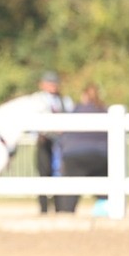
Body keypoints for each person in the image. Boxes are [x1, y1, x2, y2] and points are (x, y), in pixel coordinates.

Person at [59, 82, 109, 216]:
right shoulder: (104, 110)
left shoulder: (76, 110)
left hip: (74, 155)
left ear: (84, 95)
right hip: (100, 156)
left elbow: (63, 133)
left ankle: (66, 213)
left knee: (70, 191)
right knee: (105, 188)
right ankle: (106, 211)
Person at [32, 70, 74, 213]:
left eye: (55, 83)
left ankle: (59, 207)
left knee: (59, 174)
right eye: (50, 83)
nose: (53, 86)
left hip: (60, 143)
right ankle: (43, 208)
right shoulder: (37, 100)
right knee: (44, 174)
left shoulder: (65, 101)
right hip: (44, 141)